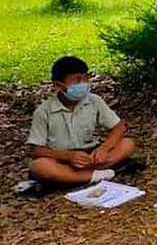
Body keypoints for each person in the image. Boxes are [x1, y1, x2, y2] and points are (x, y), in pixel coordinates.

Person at [26, 57, 137, 187]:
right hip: (61, 158)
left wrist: (104, 149)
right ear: (58, 86)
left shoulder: (94, 101)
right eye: (77, 80)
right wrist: (69, 156)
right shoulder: (44, 111)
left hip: (92, 156)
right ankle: (96, 175)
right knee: (40, 167)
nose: (84, 83)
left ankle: (73, 177)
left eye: (85, 78)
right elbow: (36, 151)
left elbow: (120, 127)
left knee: (127, 144)